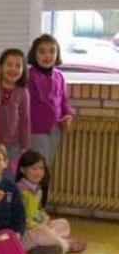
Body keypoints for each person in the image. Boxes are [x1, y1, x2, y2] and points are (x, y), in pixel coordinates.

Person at [15, 150, 86, 254]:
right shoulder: (20, 191)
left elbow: (37, 211)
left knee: (63, 223)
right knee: (43, 231)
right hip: (25, 233)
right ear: (23, 170)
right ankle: (66, 244)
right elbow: (21, 218)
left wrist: (44, 216)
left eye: (41, 168)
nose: (38, 172)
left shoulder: (37, 190)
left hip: (38, 228)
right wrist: (40, 224)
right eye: (33, 169)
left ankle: (45, 245)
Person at [27, 34, 75, 169]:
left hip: (55, 128)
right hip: (35, 129)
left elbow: (64, 101)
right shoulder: (29, 76)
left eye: (52, 51)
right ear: (34, 54)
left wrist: (68, 115)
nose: (47, 56)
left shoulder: (59, 76)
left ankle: (43, 190)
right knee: (36, 166)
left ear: (57, 54)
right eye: (42, 51)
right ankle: (33, 190)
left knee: (48, 165)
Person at [0, 48, 31, 173]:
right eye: (9, 64)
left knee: (10, 176)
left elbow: (25, 120)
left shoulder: (23, 92)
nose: (13, 69)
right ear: (0, 67)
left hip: (13, 145)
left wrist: (25, 146)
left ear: (23, 69)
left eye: (18, 66)